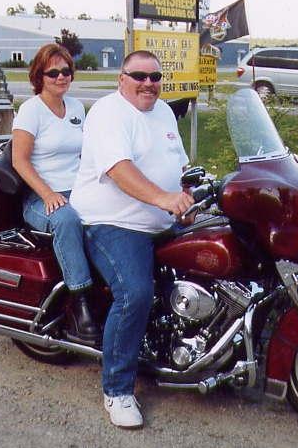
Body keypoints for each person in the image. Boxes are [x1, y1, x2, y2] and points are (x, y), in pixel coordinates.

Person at [70, 50, 194, 428]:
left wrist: (191, 190)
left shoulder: (164, 113)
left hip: (161, 220)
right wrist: (164, 198)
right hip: (112, 222)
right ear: (121, 78)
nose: (148, 83)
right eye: (138, 75)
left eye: (155, 77)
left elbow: (180, 164)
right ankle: (118, 390)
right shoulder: (109, 113)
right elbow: (118, 169)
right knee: (135, 293)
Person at [12, 43, 98, 345]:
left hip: (78, 189)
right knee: (67, 220)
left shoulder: (75, 107)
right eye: (53, 73)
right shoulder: (30, 110)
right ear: (40, 76)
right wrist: (48, 194)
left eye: (66, 71)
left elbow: (87, 152)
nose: (61, 77)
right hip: (40, 196)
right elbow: (19, 161)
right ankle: (81, 301)